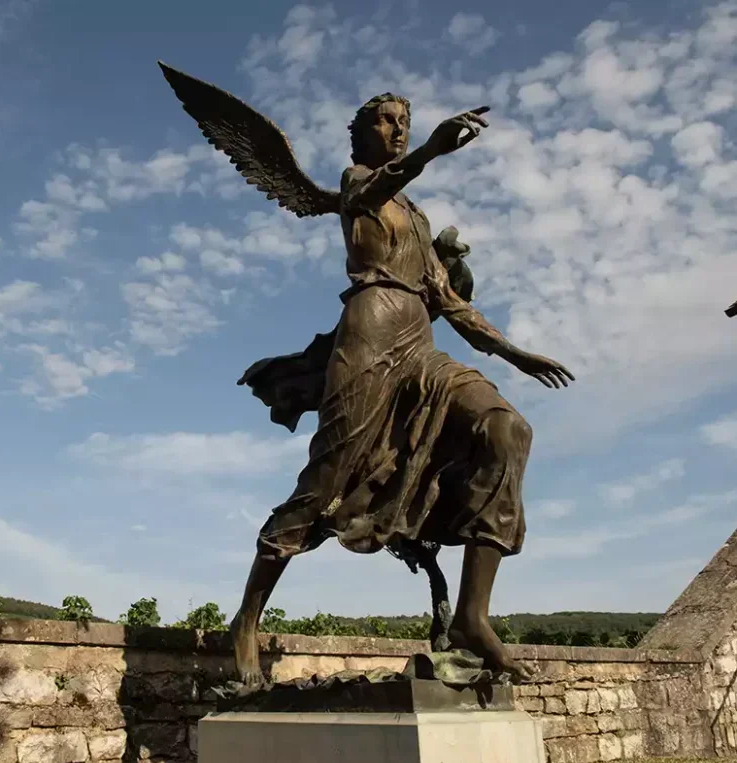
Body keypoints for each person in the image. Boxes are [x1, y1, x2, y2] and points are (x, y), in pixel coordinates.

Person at [228, 94, 574, 685]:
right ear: (360, 133)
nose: (398, 130)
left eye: (405, 124)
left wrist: (513, 352)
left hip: (418, 346)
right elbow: (369, 191)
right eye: (386, 121)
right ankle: (246, 619)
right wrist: (431, 151)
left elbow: (450, 301)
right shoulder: (358, 183)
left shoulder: (415, 217)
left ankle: (472, 617)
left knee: (506, 429)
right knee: (325, 484)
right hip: (366, 340)